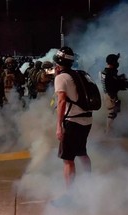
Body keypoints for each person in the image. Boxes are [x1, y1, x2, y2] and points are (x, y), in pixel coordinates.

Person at [53, 46, 92, 190]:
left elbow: (61, 101)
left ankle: (70, 196)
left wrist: (59, 126)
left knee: (68, 160)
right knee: (82, 152)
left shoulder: (61, 77)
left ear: (58, 62)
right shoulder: (78, 74)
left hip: (73, 122)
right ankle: (90, 185)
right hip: (87, 120)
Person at [100, 53, 128, 134]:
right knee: (112, 113)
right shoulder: (109, 74)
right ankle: (108, 131)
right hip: (110, 95)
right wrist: (122, 82)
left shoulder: (106, 72)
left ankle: (110, 130)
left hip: (108, 94)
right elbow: (112, 85)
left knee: (114, 113)